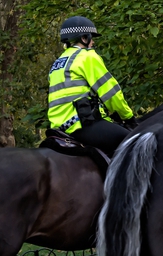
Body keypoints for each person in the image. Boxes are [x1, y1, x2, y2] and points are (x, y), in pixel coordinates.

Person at [48, 16, 136, 155]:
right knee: (135, 142)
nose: (93, 42)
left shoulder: (58, 63)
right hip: (83, 125)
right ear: (84, 38)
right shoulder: (87, 57)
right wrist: (128, 117)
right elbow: (111, 93)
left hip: (60, 128)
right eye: (91, 38)